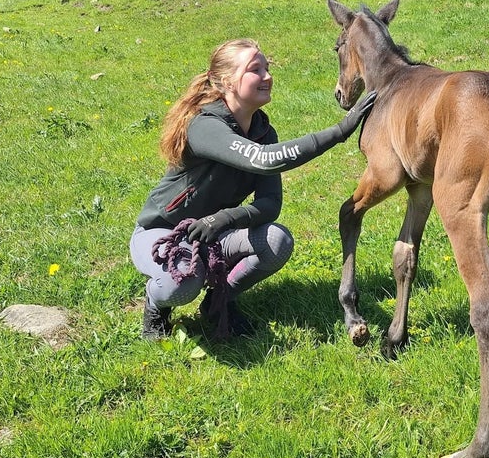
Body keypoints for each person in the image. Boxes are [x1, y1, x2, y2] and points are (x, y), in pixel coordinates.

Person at [131, 38, 376, 340]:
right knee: (181, 285)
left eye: (267, 68)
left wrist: (223, 219)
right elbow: (263, 160)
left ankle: (219, 300)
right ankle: (156, 305)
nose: (268, 76)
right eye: (255, 70)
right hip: (163, 233)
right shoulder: (204, 126)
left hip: (214, 233)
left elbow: (270, 204)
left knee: (277, 241)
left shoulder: (263, 132)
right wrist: (338, 133)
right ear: (226, 82)